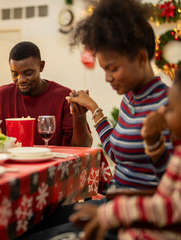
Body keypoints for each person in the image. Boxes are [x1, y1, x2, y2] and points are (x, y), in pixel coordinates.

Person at [69, 64, 181, 240]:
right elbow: (169, 185)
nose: (164, 111)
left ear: (140, 58)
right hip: (131, 214)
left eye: (171, 109)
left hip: (139, 220)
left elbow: (180, 206)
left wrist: (112, 213)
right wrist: (153, 144)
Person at [65, 0, 173, 190]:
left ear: (141, 58)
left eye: (113, 69)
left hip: (137, 211)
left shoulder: (169, 104)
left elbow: (173, 183)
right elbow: (116, 154)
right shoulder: (130, 99)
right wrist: (93, 107)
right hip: (115, 201)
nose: (107, 78)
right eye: (104, 70)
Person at [0, 41, 92, 147]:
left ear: (41, 66)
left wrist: (80, 116)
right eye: (15, 74)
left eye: (28, 73)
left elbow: (83, 146)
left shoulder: (64, 97)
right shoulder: (1, 96)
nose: (21, 80)